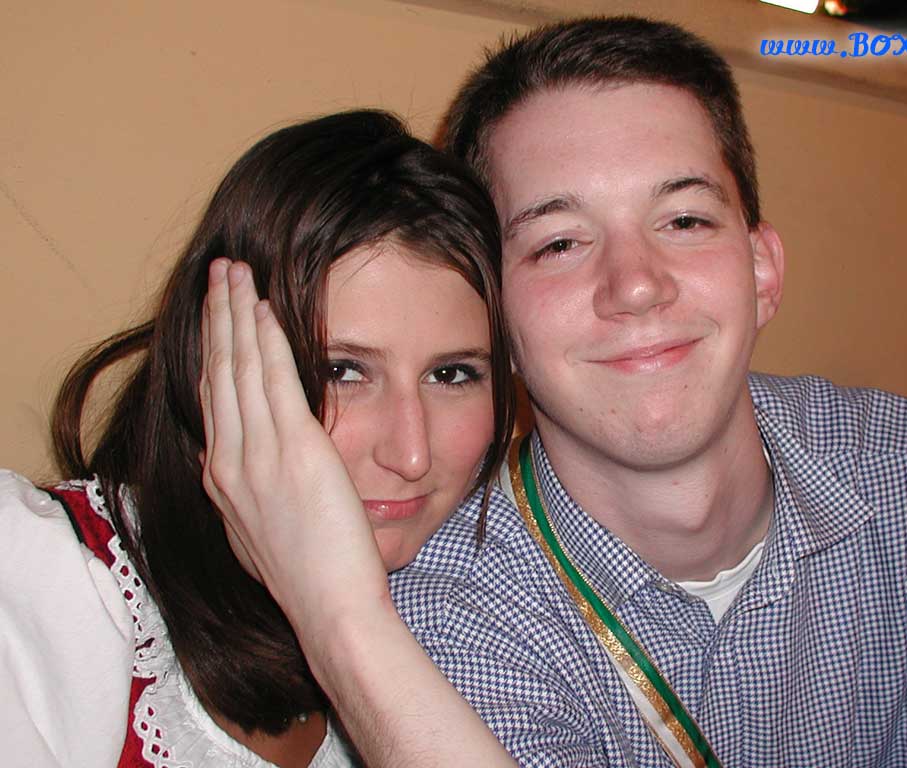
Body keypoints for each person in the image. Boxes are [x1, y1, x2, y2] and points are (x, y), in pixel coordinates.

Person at [209, 15, 907, 768]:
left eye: (685, 220)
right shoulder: (453, 621)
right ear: (495, 319)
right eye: (560, 243)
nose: (635, 285)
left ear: (762, 270)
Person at [0, 110, 519, 767]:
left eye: (452, 374)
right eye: (342, 371)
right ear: (212, 362)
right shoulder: (38, 578)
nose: (411, 454)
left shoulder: (478, 628)